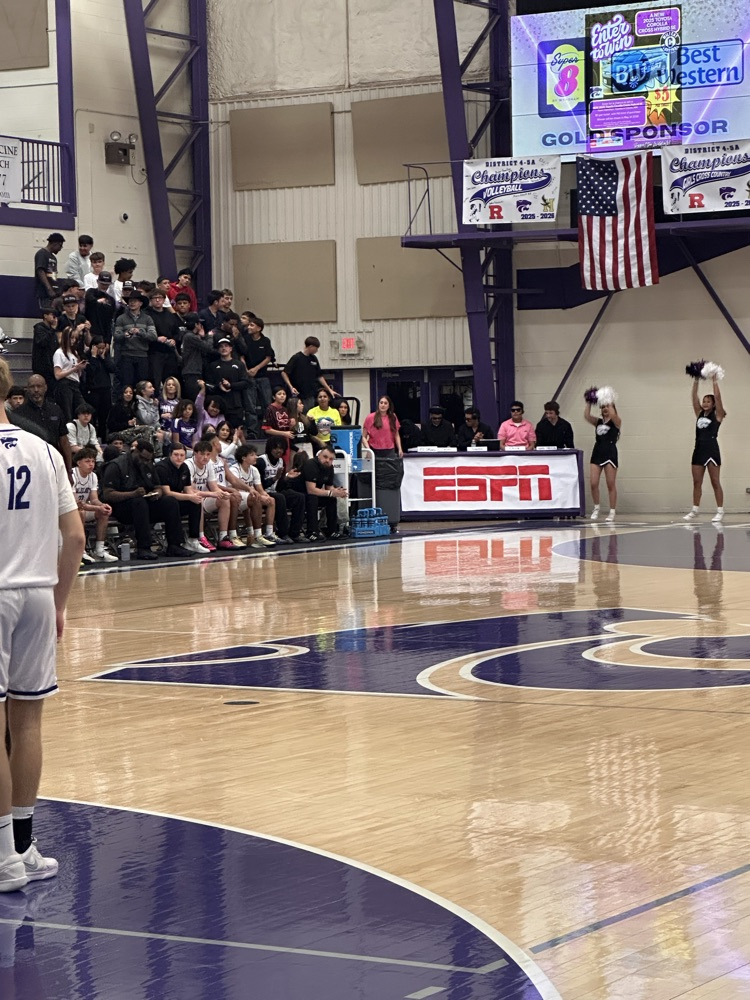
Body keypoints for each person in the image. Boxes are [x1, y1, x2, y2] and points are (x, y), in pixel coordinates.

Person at [0, 357, 85, 890]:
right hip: (36, 592)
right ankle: (24, 847)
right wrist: (59, 602)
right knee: (27, 722)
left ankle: (3, 859)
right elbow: (75, 537)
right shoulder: (46, 450)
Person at [101, 439, 192, 559]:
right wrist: (132, 494)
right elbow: (108, 494)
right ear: (135, 452)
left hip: (144, 504)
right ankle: (144, 547)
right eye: (143, 458)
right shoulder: (116, 465)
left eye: (148, 459)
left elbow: (158, 486)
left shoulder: (148, 464)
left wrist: (157, 493)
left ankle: (175, 545)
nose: (145, 461)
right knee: (139, 502)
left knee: (170, 501)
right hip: (122, 508)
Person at [155, 442, 211, 553]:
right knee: (172, 501)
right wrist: (189, 497)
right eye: (176, 455)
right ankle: (175, 543)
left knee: (195, 502)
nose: (179, 458)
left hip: (176, 501)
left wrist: (194, 496)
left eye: (182, 455)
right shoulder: (162, 467)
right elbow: (167, 493)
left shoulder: (184, 467)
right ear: (170, 455)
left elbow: (188, 489)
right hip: (161, 504)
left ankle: (193, 540)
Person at [684, 376, 726, 523]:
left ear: (714, 404)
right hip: (699, 449)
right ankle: (695, 510)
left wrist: (714, 380)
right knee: (697, 482)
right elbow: (694, 397)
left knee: (715, 481)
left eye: (708, 401)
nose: (705, 403)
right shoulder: (699, 413)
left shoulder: (718, 415)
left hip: (712, 449)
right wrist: (696, 380)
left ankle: (720, 511)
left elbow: (718, 398)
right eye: (704, 401)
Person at [13, 376, 73, 472]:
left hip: (54, 462)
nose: (36, 390)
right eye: (32, 387)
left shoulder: (56, 410)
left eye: (39, 386)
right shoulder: (18, 414)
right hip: (30, 465)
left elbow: (64, 441)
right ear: (27, 389)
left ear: (45, 387)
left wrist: (69, 470)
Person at [185, 439, 236, 550]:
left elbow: (214, 487)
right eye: (202, 454)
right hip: (188, 500)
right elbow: (191, 491)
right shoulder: (188, 465)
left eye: (208, 454)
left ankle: (223, 538)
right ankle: (201, 537)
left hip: (205, 498)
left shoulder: (209, 465)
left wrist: (222, 493)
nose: (206, 457)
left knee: (224, 499)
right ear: (195, 453)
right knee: (198, 499)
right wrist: (212, 494)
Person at [72, 445, 118, 563]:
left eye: (93, 461)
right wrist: (97, 507)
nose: (91, 464)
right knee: (81, 512)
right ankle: (81, 551)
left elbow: (94, 499)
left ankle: (99, 550)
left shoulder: (93, 476)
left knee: (103, 513)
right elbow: (77, 504)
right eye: (87, 461)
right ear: (79, 463)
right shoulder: (72, 475)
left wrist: (102, 506)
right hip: (68, 512)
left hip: (83, 508)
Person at [226, 444, 278, 548]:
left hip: (248, 498)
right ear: (243, 458)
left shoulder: (254, 470)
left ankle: (269, 534)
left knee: (271, 500)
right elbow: (234, 488)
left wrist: (265, 495)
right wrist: (255, 494)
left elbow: (260, 489)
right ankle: (254, 535)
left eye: (255, 454)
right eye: (252, 455)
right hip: (235, 498)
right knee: (254, 498)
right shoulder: (234, 469)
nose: (256, 457)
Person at [257, 437, 304, 542]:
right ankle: (283, 533)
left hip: (275, 490)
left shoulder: (281, 461)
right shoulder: (261, 461)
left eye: (281, 448)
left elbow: (280, 485)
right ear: (270, 448)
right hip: (263, 492)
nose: (279, 451)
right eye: (276, 448)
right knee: (280, 497)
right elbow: (259, 484)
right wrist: (274, 478)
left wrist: (287, 478)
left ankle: (295, 533)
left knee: (299, 497)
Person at [585, 397, 622, 522]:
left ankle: (612, 511)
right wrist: (589, 402)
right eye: (603, 407)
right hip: (597, 452)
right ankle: (596, 508)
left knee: (610, 483)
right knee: (593, 483)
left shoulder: (616, 421)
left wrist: (608, 397)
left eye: (607, 406)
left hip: (610, 452)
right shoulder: (598, 422)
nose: (605, 408)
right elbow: (586, 416)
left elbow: (613, 414)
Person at [114, 292, 156, 389]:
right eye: (130, 301)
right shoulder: (121, 318)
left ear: (140, 303)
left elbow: (153, 336)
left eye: (135, 301)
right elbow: (116, 336)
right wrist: (125, 334)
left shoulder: (147, 319)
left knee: (142, 385)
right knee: (127, 385)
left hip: (142, 355)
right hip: (126, 356)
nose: (132, 303)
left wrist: (139, 333)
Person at [282, 336, 338, 409]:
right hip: (297, 394)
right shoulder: (296, 358)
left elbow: (319, 376)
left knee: (309, 413)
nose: (317, 351)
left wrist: (329, 389)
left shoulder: (314, 359)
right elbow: (284, 373)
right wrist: (291, 387)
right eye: (316, 348)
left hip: (309, 395)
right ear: (311, 347)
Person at [204, 338, 248, 428]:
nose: (223, 348)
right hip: (218, 407)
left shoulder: (239, 364)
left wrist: (231, 385)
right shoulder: (213, 365)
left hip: (235, 404)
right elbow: (208, 384)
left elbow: (245, 382)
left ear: (231, 348)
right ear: (218, 350)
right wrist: (219, 386)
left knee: (235, 430)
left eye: (226, 346)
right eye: (221, 346)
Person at [53, 326, 87, 423]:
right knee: (67, 412)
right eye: (71, 338)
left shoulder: (74, 353)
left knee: (83, 408)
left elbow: (76, 372)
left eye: (75, 338)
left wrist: (79, 368)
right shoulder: (59, 353)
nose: (73, 340)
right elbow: (57, 375)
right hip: (65, 384)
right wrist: (74, 369)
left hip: (75, 383)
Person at [241, 314, 275, 413]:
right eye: (249, 325)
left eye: (252, 325)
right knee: (250, 405)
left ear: (259, 328)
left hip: (262, 375)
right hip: (248, 376)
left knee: (267, 403)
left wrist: (256, 368)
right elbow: (241, 356)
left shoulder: (265, 341)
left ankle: (268, 421)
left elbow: (268, 357)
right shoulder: (245, 339)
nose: (249, 327)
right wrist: (246, 370)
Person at [83, 336, 115, 438]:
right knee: (93, 415)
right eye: (99, 348)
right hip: (93, 390)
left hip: (105, 389)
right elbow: (90, 371)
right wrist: (93, 356)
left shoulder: (105, 356)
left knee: (104, 417)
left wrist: (104, 358)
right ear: (94, 346)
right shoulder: (88, 357)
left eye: (103, 348)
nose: (101, 350)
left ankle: (103, 437)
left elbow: (112, 369)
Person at [34, 233, 65, 309]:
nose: (61, 248)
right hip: (45, 292)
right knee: (48, 312)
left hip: (54, 292)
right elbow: (40, 271)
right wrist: (49, 289)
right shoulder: (42, 254)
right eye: (60, 245)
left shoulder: (53, 257)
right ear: (55, 243)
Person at [31, 309, 59, 393]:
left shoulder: (52, 330)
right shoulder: (39, 328)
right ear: (45, 316)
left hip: (50, 364)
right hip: (41, 364)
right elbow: (42, 342)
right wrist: (52, 330)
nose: (54, 318)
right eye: (52, 315)